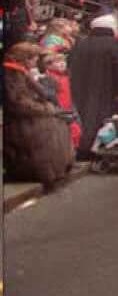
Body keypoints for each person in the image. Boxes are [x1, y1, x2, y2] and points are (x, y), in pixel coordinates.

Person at [3, 43, 74, 188]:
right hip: (22, 121)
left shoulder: (21, 71)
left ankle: (56, 169)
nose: (36, 63)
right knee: (47, 132)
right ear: (25, 59)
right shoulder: (13, 74)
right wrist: (45, 109)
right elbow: (18, 102)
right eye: (34, 59)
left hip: (31, 115)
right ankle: (42, 172)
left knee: (59, 123)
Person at [68, 12, 118, 160]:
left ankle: (82, 148)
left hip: (80, 85)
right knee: (102, 119)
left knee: (83, 117)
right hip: (106, 87)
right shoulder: (114, 43)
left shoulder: (81, 43)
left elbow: (71, 63)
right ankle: (98, 149)